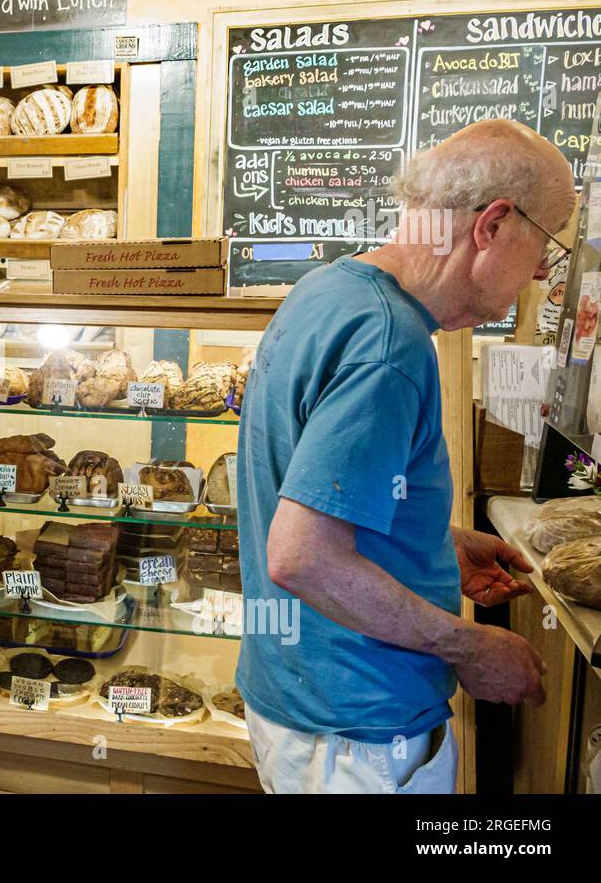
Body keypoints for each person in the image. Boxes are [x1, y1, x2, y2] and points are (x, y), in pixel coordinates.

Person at [236, 119, 574, 794]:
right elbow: (302, 556)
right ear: (494, 225)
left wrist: (433, 542)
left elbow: (310, 496)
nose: (541, 270)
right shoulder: (389, 345)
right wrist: (472, 647)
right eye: (547, 245)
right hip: (357, 738)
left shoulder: (328, 290)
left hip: (298, 705)